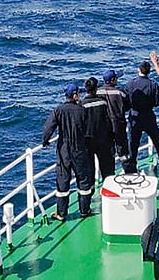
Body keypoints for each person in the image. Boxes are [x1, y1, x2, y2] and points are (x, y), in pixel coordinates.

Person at [41, 82, 94, 220]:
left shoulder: (59, 110)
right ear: (75, 95)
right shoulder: (82, 110)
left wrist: (45, 141)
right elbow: (89, 130)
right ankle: (84, 210)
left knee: (63, 180)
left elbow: (48, 128)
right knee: (83, 180)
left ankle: (61, 213)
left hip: (64, 151)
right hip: (79, 150)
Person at [123, 61, 159, 174]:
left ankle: (132, 167)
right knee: (158, 141)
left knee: (133, 143)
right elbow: (157, 101)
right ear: (149, 72)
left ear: (138, 70)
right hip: (148, 116)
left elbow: (126, 101)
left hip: (135, 116)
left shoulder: (130, 84)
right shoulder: (153, 84)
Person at [81, 77, 116, 180]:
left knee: (89, 169)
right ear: (96, 88)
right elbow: (108, 120)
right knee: (107, 168)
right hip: (103, 139)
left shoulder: (82, 105)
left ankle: (90, 187)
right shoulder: (103, 102)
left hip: (88, 140)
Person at [97, 69, 130, 161]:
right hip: (119, 123)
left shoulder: (97, 92)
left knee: (108, 150)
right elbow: (128, 105)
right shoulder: (120, 92)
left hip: (104, 125)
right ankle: (126, 166)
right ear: (112, 80)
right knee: (122, 148)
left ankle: (109, 168)